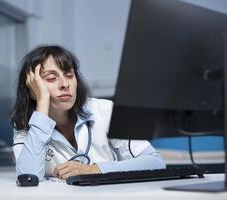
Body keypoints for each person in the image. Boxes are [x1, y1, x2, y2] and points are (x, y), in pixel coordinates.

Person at [11, 45, 165, 181]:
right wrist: (42, 101)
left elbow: (155, 162)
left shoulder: (104, 110)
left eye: (70, 75)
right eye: (51, 78)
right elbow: (28, 177)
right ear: (32, 89)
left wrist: (95, 170)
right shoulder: (25, 125)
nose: (65, 84)